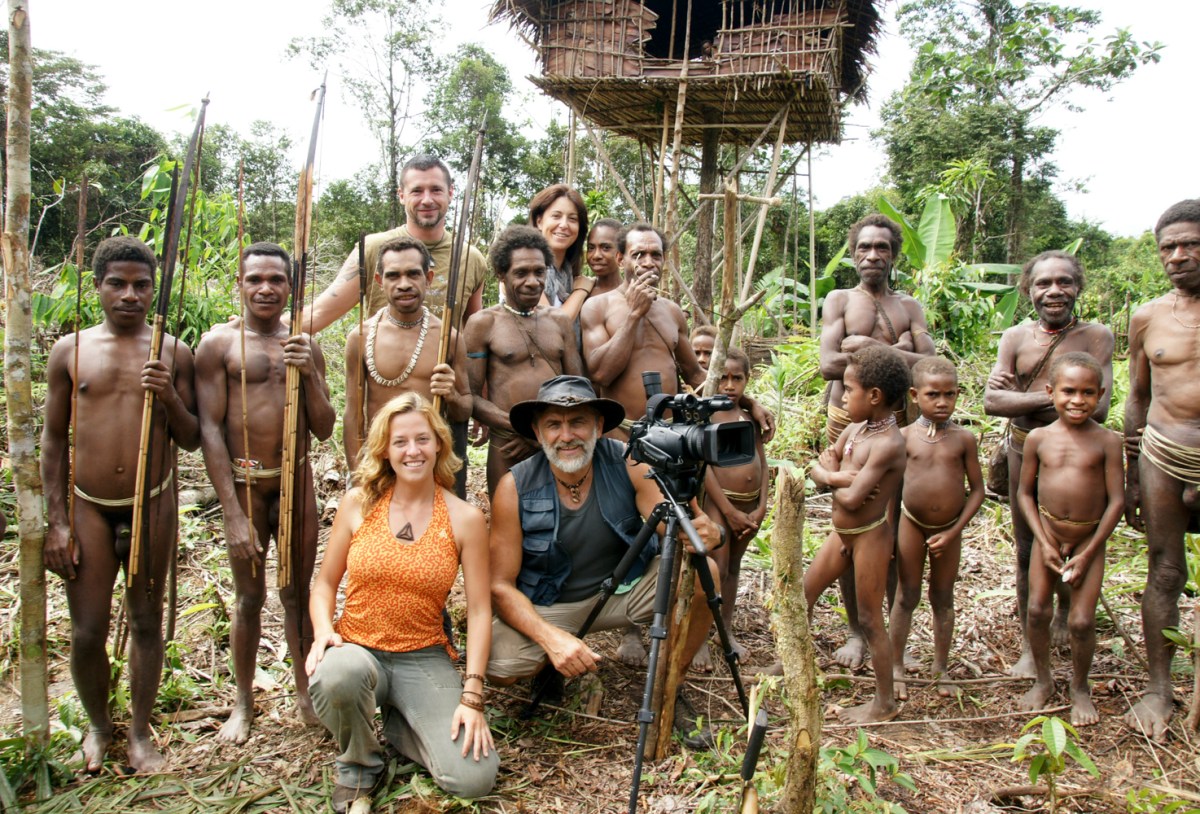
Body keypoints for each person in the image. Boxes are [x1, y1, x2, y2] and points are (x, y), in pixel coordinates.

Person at [486, 376, 724, 748]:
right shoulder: (515, 487)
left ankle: (671, 687)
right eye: (554, 424)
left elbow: (664, 521)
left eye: (578, 421)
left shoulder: (628, 461)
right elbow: (499, 585)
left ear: (598, 426)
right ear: (537, 431)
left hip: (622, 591)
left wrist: (701, 530)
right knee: (499, 667)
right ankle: (548, 665)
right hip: (550, 604)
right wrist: (550, 639)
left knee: (702, 573)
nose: (567, 435)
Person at [41, 236, 200, 772]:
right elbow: (52, 439)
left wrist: (170, 396)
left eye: (141, 285)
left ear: (154, 289)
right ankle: (97, 726)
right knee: (86, 630)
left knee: (146, 622)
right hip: (87, 506)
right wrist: (56, 522)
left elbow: (193, 437)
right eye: (118, 284)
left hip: (150, 502)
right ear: (98, 286)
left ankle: (139, 734)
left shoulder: (173, 351)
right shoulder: (72, 351)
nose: (130, 295)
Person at [581, 223, 774, 666]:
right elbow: (600, 375)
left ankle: (691, 626)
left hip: (672, 442)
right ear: (622, 259)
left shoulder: (672, 312)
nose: (648, 263)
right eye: (639, 254)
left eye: (656, 255)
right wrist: (632, 314)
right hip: (622, 440)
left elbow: (696, 376)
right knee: (628, 533)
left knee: (684, 532)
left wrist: (748, 401)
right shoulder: (597, 308)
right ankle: (632, 629)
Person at [307, 393, 498, 811]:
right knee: (338, 674)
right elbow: (324, 585)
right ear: (385, 451)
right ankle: (359, 764)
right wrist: (324, 632)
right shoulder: (359, 504)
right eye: (400, 442)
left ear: (439, 445)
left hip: (422, 655)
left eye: (422, 439)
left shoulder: (464, 518)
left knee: (474, 778)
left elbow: (481, 611)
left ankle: (401, 725)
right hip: (357, 649)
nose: (413, 451)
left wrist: (473, 695)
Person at [195, 242, 337, 744]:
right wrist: (232, 513)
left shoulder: (304, 343)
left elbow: (323, 428)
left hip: (295, 482)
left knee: (297, 595)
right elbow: (210, 430)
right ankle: (243, 702)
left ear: (291, 287)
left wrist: (311, 373)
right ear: (241, 282)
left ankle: (305, 690)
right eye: (255, 278)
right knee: (249, 597)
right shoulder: (217, 346)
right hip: (245, 485)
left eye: (276, 280)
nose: (265, 288)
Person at [984, 251, 1114, 678]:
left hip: (1079, 460)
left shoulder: (1097, 337)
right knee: (1027, 548)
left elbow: (1099, 412)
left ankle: (1065, 615)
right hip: (1025, 450)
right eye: (1043, 284)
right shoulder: (1015, 337)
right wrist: (1054, 397)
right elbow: (992, 402)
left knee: (1073, 537)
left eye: (1063, 282)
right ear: (1029, 290)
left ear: (1078, 287)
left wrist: (1025, 396)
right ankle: (1029, 641)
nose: (1054, 291)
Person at [818, 214, 935, 671]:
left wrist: (864, 344)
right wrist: (898, 350)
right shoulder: (839, 299)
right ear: (853, 253)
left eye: (881, 248)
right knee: (850, 522)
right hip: (845, 419)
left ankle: (885, 628)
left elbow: (929, 365)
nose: (872, 255)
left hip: (897, 428)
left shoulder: (909, 306)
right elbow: (830, 363)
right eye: (864, 247)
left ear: (893, 254)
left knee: (887, 527)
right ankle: (854, 630)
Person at [1123, 199, 1200, 740]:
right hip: (1162, 453)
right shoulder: (1148, 317)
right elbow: (1137, 397)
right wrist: (1131, 472)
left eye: (1190, 244)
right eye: (1168, 247)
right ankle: (1158, 689)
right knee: (1165, 571)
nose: (1178, 255)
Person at [1016, 352, 1123, 727]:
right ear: (1050, 392)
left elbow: (1117, 501)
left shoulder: (1108, 441)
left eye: (1087, 393)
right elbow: (1025, 494)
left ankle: (1080, 687)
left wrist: (1089, 550)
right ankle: (1043, 679)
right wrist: (1044, 543)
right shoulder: (1039, 439)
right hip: (1048, 534)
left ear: (1101, 395)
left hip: (1087, 541)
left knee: (1080, 620)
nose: (1077, 400)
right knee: (1037, 610)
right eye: (1069, 391)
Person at [805, 346, 909, 723]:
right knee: (804, 593)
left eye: (849, 389)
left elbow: (849, 499)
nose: (844, 396)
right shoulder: (854, 429)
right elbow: (824, 463)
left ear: (875, 396)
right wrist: (830, 475)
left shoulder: (888, 444)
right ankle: (793, 666)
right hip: (841, 534)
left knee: (869, 619)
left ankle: (883, 703)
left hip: (869, 536)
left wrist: (828, 477)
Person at [302, 154, 486, 335]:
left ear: (450, 193)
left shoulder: (471, 258)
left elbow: (476, 334)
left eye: (436, 190)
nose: (427, 199)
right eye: (417, 191)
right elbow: (318, 314)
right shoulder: (373, 248)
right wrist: (275, 329)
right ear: (401, 195)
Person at [889, 356, 984, 701]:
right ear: (915, 395)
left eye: (949, 394)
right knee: (906, 595)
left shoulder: (963, 439)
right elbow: (892, 489)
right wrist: (889, 528)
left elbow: (978, 491)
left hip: (948, 529)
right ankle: (896, 666)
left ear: (958, 394)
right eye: (933, 395)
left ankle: (940, 668)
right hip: (911, 525)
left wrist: (954, 530)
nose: (942, 402)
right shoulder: (903, 437)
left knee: (942, 597)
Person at [464, 225, 584, 496]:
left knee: (563, 524)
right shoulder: (483, 323)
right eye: (521, 273)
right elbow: (470, 397)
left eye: (539, 272)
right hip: (508, 445)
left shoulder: (559, 321)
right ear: (501, 274)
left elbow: (578, 389)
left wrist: (541, 436)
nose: (532, 281)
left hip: (559, 443)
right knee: (507, 524)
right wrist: (523, 428)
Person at [343, 236, 472, 467]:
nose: (404, 284)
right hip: (379, 458)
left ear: (428, 278)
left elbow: (464, 412)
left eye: (413, 274)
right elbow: (353, 414)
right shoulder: (360, 337)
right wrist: (357, 475)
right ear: (379, 281)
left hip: (428, 460)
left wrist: (452, 395)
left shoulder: (449, 339)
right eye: (393, 275)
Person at [695, 348, 767, 668]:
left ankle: (725, 631)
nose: (729, 385)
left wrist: (763, 505)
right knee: (716, 569)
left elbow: (762, 463)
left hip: (750, 507)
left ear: (747, 380)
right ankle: (699, 638)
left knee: (734, 569)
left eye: (737, 378)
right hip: (720, 506)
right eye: (723, 377)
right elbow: (705, 467)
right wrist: (728, 511)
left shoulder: (751, 417)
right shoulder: (708, 416)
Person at [528, 183, 595, 320]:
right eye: (556, 216)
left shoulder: (568, 273)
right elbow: (551, 324)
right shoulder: (524, 267)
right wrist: (581, 290)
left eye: (572, 219)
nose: (564, 225)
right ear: (539, 221)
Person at [585, 217, 624, 296]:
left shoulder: (634, 294)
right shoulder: (580, 292)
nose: (596, 256)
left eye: (606, 248)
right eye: (591, 248)